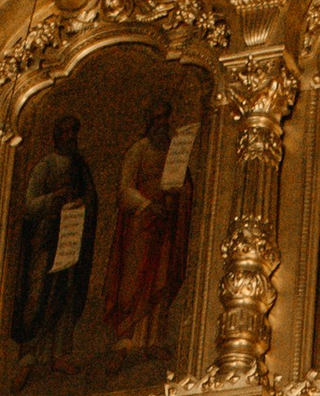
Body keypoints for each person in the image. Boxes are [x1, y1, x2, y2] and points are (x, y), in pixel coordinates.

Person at [101, 97, 192, 361]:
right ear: (150, 123)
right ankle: (126, 337)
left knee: (161, 277)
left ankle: (153, 337)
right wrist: (147, 205)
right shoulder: (139, 150)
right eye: (157, 119)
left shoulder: (174, 151)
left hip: (165, 223)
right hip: (140, 224)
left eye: (166, 118)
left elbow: (185, 183)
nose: (162, 124)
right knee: (134, 277)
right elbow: (124, 189)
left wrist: (180, 194)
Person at [14, 114, 97, 372]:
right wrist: (55, 199)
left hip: (72, 239)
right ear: (57, 137)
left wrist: (84, 203)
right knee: (39, 297)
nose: (70, 137)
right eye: (65, 132)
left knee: (68, 293)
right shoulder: (45, 167)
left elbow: (92, 198)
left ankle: (60, 353)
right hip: (46, 241)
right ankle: (28, 356)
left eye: (74, 132)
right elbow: (29, 206)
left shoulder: (80, 167)